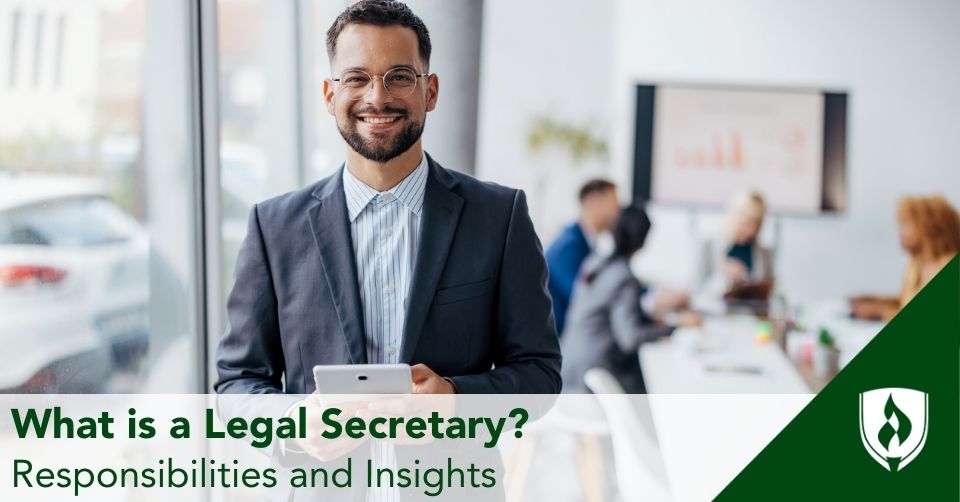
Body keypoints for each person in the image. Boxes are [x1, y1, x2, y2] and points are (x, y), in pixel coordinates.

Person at [215, 0, 561, 403]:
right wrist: (294, 425)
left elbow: (540, 375)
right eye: (356, 78)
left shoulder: (500, 218)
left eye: (399, 77)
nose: (377, 98)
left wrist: (455, 398)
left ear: (430, 92)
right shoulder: (272, 228)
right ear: (330, 95)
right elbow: (236, 382)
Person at [561, 205, 699, 394]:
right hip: (590, 379)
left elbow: (610, 313)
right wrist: (674, 327)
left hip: (569, 368)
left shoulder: (594, 263)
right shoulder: (624, 278)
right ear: (642, 241)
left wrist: (650, 320)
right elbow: (630, 338)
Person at [545, 178, 619, 336]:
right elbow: (587, 299)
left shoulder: (587, 244)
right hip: (560, 345)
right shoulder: (568, 248)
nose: (618, 211)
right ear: (593, 202)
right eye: (614, 203)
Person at [700, 190, 774, 297]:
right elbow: (697, 290)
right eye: (747, 222)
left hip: (754, 312)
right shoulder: (709, 246)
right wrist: (722, 278)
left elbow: (770, 291)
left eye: (756, 223)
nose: (751, 230)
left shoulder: (765, 254)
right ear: (735, 217)